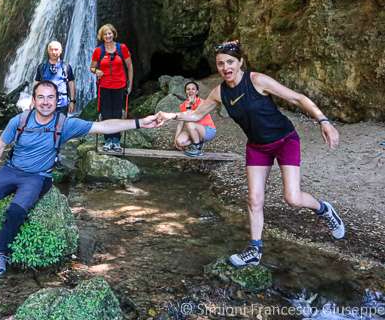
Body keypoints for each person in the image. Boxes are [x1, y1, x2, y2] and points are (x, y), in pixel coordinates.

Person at [157, 40, 345, 268]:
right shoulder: (219, 93)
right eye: (220, 64)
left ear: (240, 62)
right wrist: (170, 116)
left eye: (230, 62)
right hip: (257, 146)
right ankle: (254, 250)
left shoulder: (257, 80)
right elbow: (196, 115)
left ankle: (324, 210)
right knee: (254, 200)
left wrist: (323, 121)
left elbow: (297, 98)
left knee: (292, 198)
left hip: (285, 140)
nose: (226, 67)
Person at [0, 80, 161, 277]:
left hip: (37, 177)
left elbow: (104, 126)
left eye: (50, 97)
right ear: (33, 101)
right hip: (11, 170)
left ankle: (0, 253)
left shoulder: (66, 124)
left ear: (57, 100)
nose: (45, 102)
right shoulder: (20, 120)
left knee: (16, 210)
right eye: (41, 97)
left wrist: (140, 122)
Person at [89, 24, 134, 153]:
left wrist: (130, 84)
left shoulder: (122, 48)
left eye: (110, 33)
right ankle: (108, 140)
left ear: (113, 34)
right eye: (105, 34)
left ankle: (117, 141)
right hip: (104, 86)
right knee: (107, 113)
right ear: (102, 36)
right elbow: (92, 67)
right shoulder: (99, 50)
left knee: (118, 114)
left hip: (119, 86)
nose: (108, 36)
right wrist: (96, 71)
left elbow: (130, 67)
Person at [173, 81, 217, 157]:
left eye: (193, 89)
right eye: (188, 89)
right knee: (180, 142)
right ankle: (198, 142)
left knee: (189, 122)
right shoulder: (183, 105)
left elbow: (191, 117)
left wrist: (189, 105)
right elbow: (180, 124)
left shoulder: (202, 102)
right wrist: (175, 140)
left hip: (208, 130)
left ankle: (197, 148)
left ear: (197, 91)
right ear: (185, 92)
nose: (190, 91)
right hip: (194, 129)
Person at [33, 41, 76, 115]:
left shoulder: (66, 67)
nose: (53, 52)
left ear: (61, 51)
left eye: (56, 49)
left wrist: (72, 101)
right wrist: (33, 100)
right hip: (45, 103)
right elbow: (37, 83)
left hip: (62, 103)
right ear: (48, 51)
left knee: (60, 125)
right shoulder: (42, 67)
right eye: (51, 49)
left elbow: (71, 83)